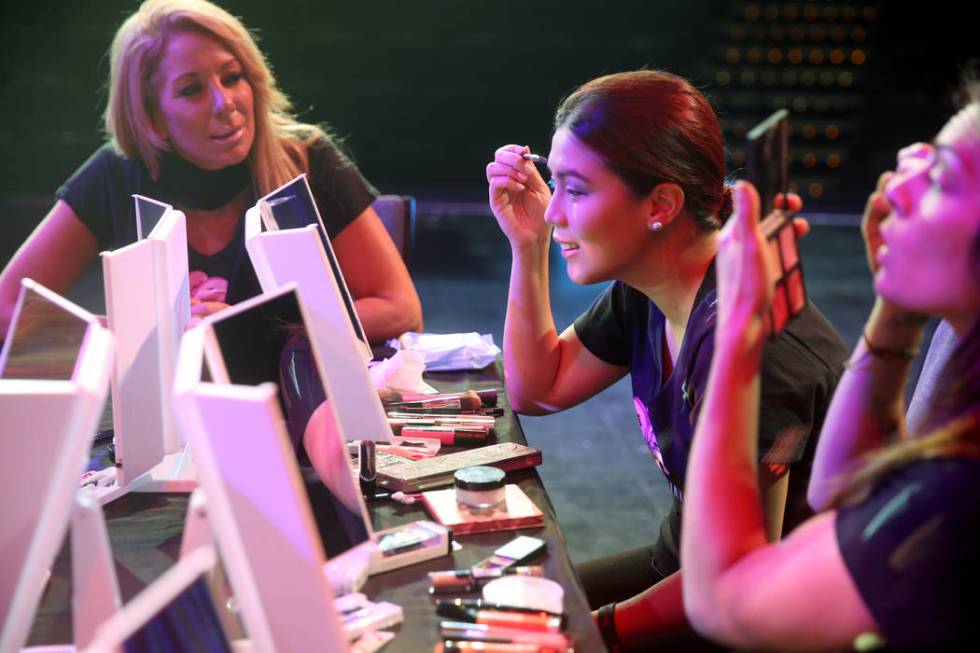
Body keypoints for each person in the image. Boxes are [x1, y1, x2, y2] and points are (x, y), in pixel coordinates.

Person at [485, 69, 849, 649]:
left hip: (761, 621)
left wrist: (589, 633)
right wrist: (526, 246)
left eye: (575, 190)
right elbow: (540, 386)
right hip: (680, 569)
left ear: (661, 204)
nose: (554, 211)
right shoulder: (650, 285)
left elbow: (740, 587)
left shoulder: (762, 349)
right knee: (500, 621)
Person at [681, 98, 980, 650]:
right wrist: (896, 303)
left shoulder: (963, 493)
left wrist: (739, 335)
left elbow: (727, 603)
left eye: (942, 175)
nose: (895, 183)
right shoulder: (958, 337)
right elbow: (845, 489)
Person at [0, 0, 421, 342]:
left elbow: (400, 308)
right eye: (192, 90)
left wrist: (245, 328)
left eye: (232, 76)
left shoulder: (307, 157)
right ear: (152, 117)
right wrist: (137, 337)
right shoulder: (115, 173)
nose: (226, 103)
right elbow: (7, 311)